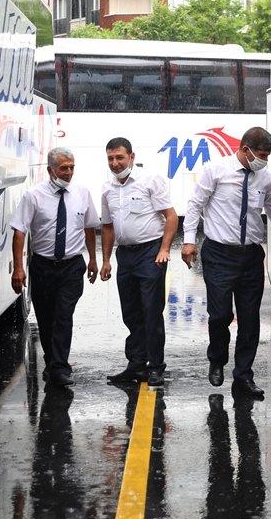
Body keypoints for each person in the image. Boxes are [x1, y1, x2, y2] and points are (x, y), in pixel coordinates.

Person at [182, 127, 271, 399]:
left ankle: (243, 377)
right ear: (245, 149)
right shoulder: (216, 171)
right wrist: (188, 241)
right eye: (261, 154)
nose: (264, 160)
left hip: (250, 257)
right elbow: (195, 205)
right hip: (219, 254)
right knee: (220, 315)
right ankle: (217, 359)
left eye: (267, 155)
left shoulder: (265, 179)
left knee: (249, 320)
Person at [11, 147, 99, 386]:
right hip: (43, 266)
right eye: (63, 168)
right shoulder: (34, 196)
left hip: (72, 266)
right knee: (46, 317)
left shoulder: (82, 193)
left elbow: (89, 227)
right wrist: (19, 268)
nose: (69, 172)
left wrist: (92, 259)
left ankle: (60, 367)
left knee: (63, 315)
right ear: (50, 170)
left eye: (72, 167)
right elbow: (19, 232)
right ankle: (52, 362)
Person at [98, 137, 178, 387]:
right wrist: (106, 260)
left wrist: (164, 249)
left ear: (131, 156)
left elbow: (171, 216)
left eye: (119, 157)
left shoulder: (149, 180)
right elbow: (108, 226)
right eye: (110, 158)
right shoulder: (107, 188)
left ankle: (155, 367)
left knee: (151, 311)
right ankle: (136, 364)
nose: (115, 163)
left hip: (150, 253)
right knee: (131, 312)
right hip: (126, 256)